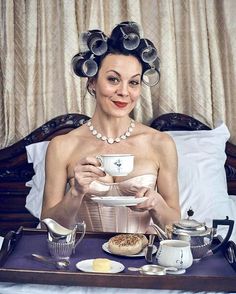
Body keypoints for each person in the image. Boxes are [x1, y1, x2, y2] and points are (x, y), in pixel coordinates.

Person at [41, 21, 181, 233]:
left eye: (133, 82)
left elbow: (175, 226)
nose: (124, 92)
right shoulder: (62, 146)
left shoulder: (161, 143)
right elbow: (47, 226)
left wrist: (156, 204)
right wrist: (76, 192)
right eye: (113, 79)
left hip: (142, 262)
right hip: (82, 261)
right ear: (92, 82)